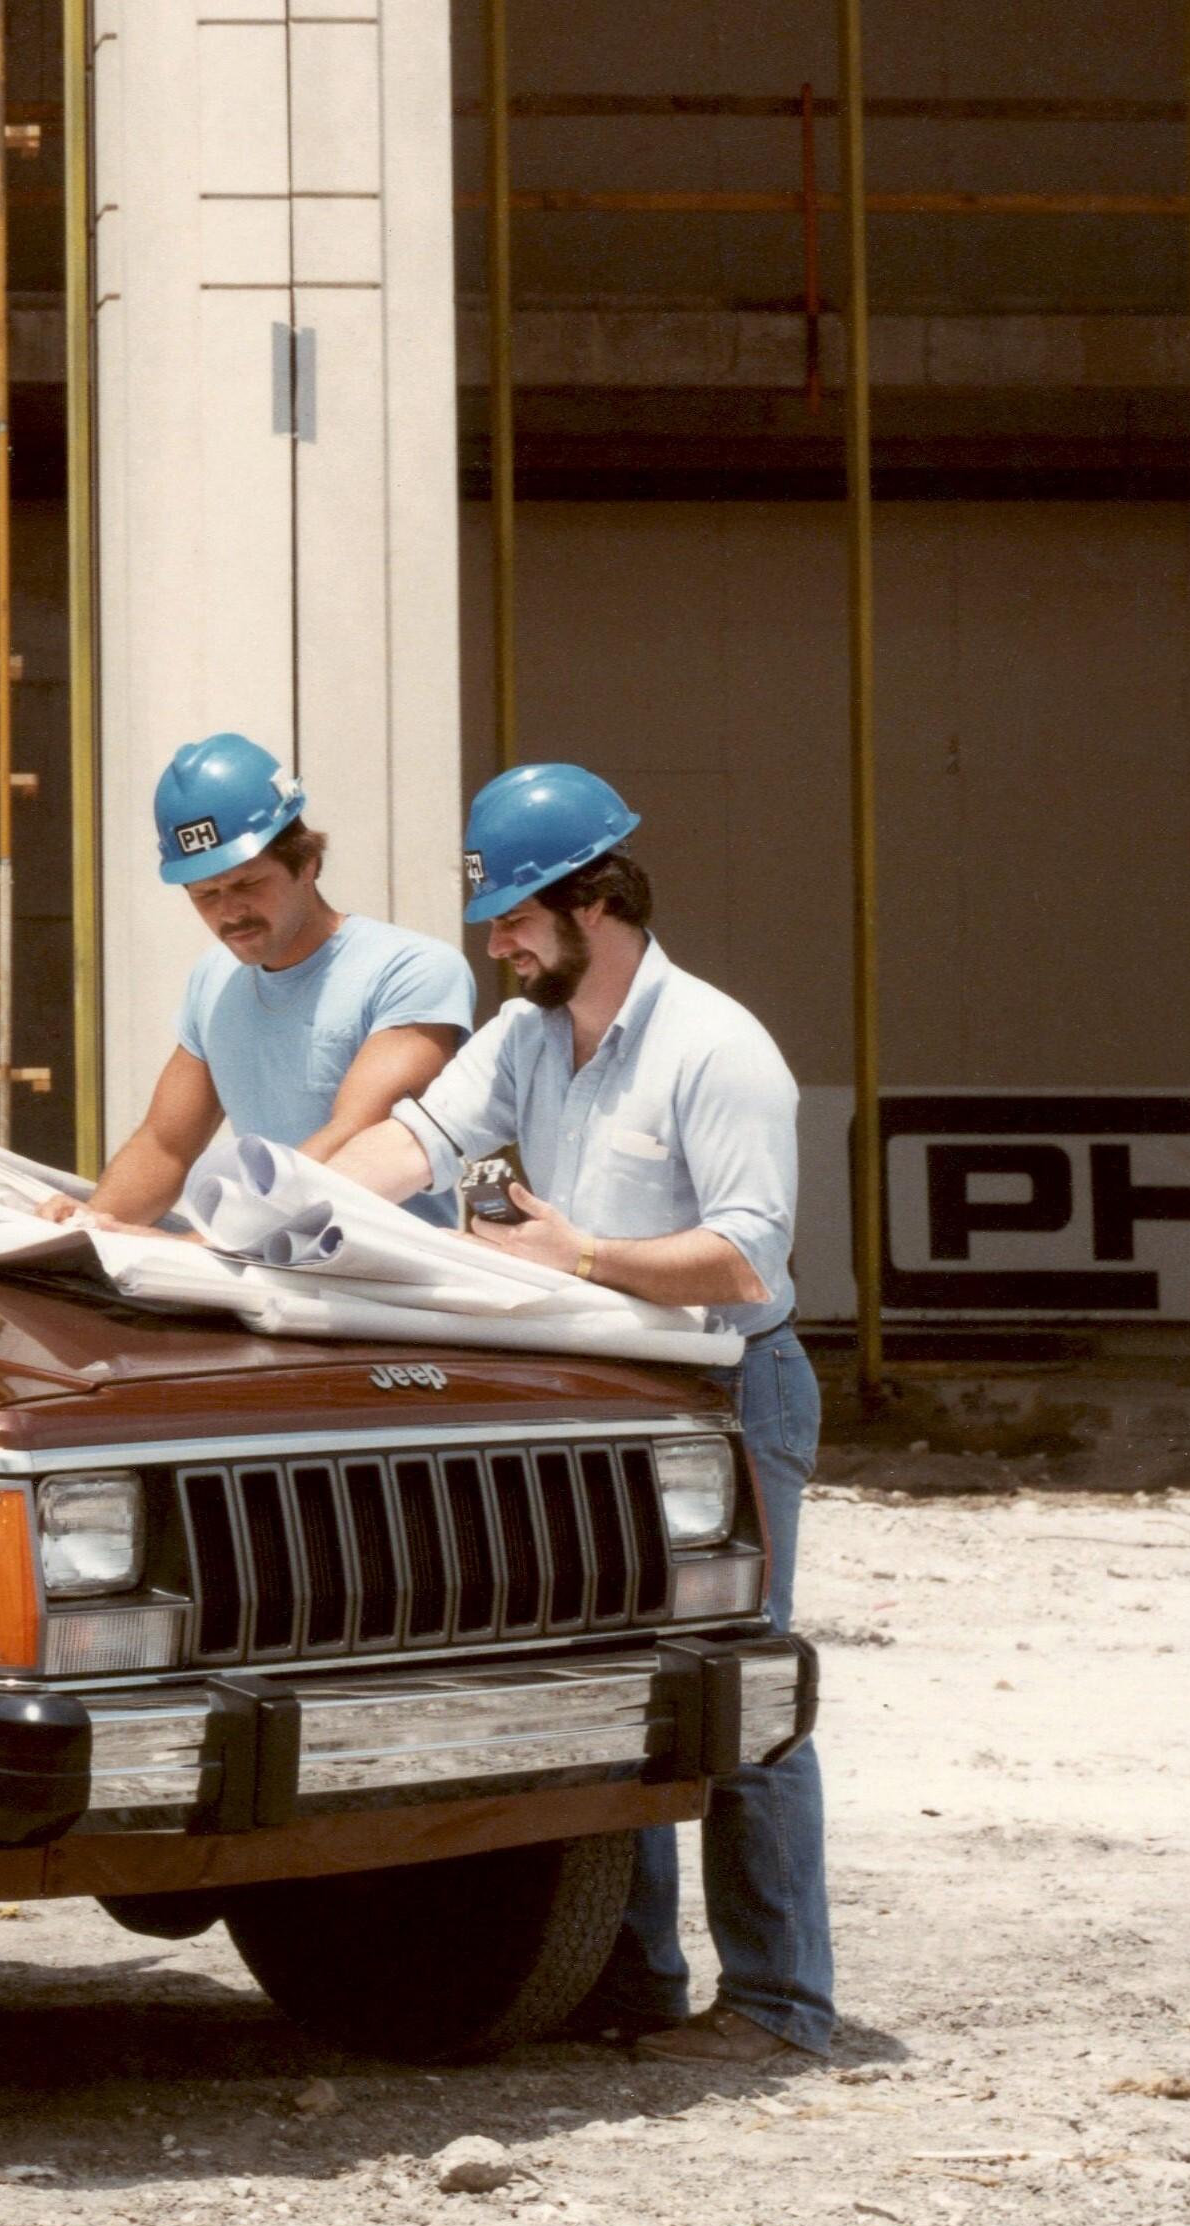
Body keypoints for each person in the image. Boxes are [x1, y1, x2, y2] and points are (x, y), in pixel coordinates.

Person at [324, 761, 829, 2069]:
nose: (492, 946)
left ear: (589, 904)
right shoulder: (525, 1035)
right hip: (603, 1393)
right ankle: (632, 1985)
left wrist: (581, 1256)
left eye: (510, 922)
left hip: (727, 1393)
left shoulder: (716, 1050)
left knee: (734, 1692)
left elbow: (744, 1262)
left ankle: (780, 2008)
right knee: (618, 1687)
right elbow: (419, 1145)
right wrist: (288, 1207)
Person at [61, 735, 474, 1232]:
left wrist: (203, 1244)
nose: (229, 912)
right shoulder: (213, 981)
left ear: (307, 863)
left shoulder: (413, 970)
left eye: (246, 884)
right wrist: (90, 1223)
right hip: (258, 1269)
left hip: (384, 1285)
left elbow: (354, 1137)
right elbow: (165, 1145)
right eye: (204, 894)